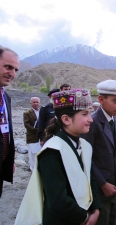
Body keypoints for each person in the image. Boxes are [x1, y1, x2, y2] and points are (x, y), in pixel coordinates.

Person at [15, 88, 101, 225]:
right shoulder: (52, 151)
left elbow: (91, 180)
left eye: (90, 113)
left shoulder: (84, 145)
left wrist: (96, 208)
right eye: (85, 114)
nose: (90, 119)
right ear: (66, 119)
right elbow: (57, 201)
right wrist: (84, 217)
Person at [81, 80, 116, 225]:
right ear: (101, 100)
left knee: (112, 219)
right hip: (98, 187)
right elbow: (85, 157)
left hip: (113, 183)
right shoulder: (92, 122)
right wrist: (103, 184)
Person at [0, 46, 19, 198]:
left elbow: (6, 131)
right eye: (8, 67)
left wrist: (8, 160)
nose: (12, 74)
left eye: (15, 70)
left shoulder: (6, 98)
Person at [23, 97, 41, 171]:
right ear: (31, 103)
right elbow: (27, 125)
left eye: (37, 102)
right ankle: (32, 169)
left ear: (39, 103)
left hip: (42, 137)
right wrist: (38, 131)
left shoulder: (42, 112)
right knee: (32, 154)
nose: (35, 103)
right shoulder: (27, 113)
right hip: (32, 137)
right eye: (34, 102)